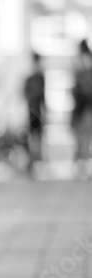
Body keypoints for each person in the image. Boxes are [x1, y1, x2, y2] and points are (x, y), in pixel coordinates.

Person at [71, 39, 92, 179]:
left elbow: (79, 87)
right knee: (85, 136)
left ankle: (83, 166)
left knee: (82, 136)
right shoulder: (86, 60)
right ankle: (83, 166)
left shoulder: (81, 62)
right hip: (85, 105)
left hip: (84, 106)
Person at [23, 52, 46, 175]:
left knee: (35, 137)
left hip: (34, 111)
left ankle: (34, 162)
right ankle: (33, 161)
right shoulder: (37, 78)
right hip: (34, 112)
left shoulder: (36, 78)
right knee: (35, 137)